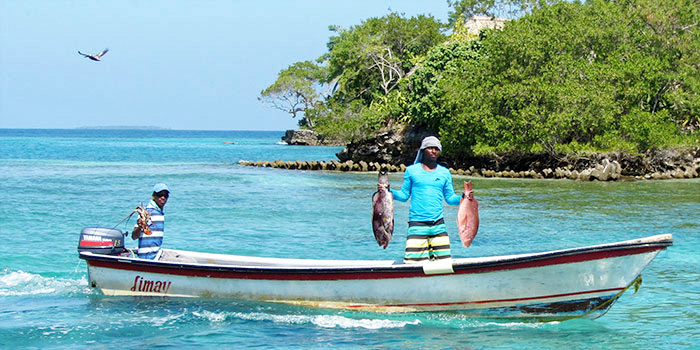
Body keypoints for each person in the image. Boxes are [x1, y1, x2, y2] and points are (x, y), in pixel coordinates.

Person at [382, 136, 473, 263]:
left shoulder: (444, 173)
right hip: (417, 225)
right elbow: (403, 196)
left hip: (438, 226)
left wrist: (464, 198)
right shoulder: (411, 171)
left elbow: (450, 199)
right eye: (430, 148)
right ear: (423, 150)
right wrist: (387, 191)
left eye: (436, 149)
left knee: (445, 264)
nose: (433, 151)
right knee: (412, 265)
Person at [132, 183, 170, 260]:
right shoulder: (146, 212)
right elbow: (134, 236)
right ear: (153, 196)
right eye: (160, 195)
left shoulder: (160, 213)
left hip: (157, 254)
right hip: (148, 257)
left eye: (165, 195)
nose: (163, 198)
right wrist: (140, 226)